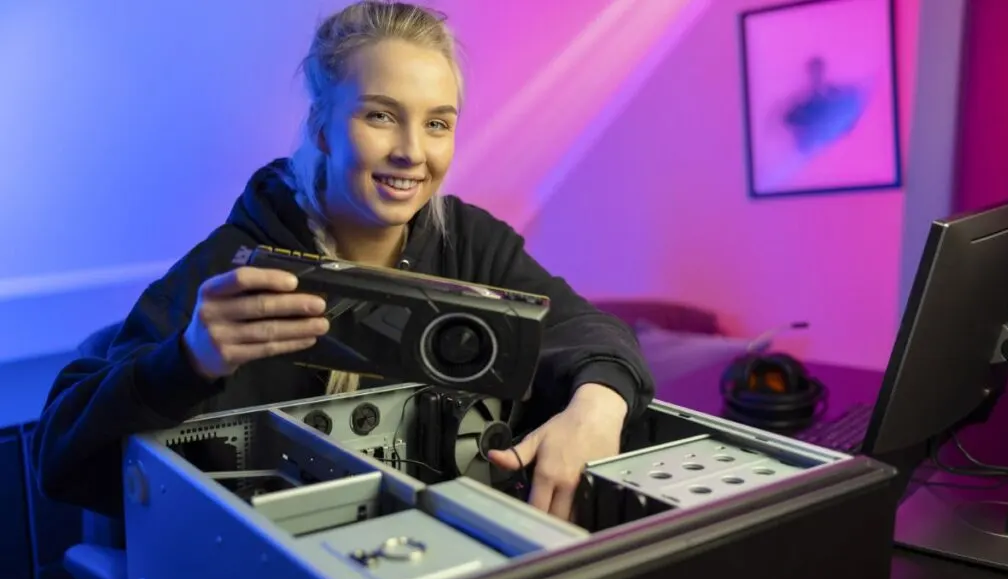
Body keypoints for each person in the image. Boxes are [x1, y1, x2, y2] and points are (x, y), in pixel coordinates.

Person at [31, 0, 655, 523]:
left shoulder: (469, 242)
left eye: (438, 123)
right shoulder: (234, 268)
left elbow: (587, 331)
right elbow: (62, 458)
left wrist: (598, 405)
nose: (413, 152)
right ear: (324, 127)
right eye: (380, 116)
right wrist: (188, 359)